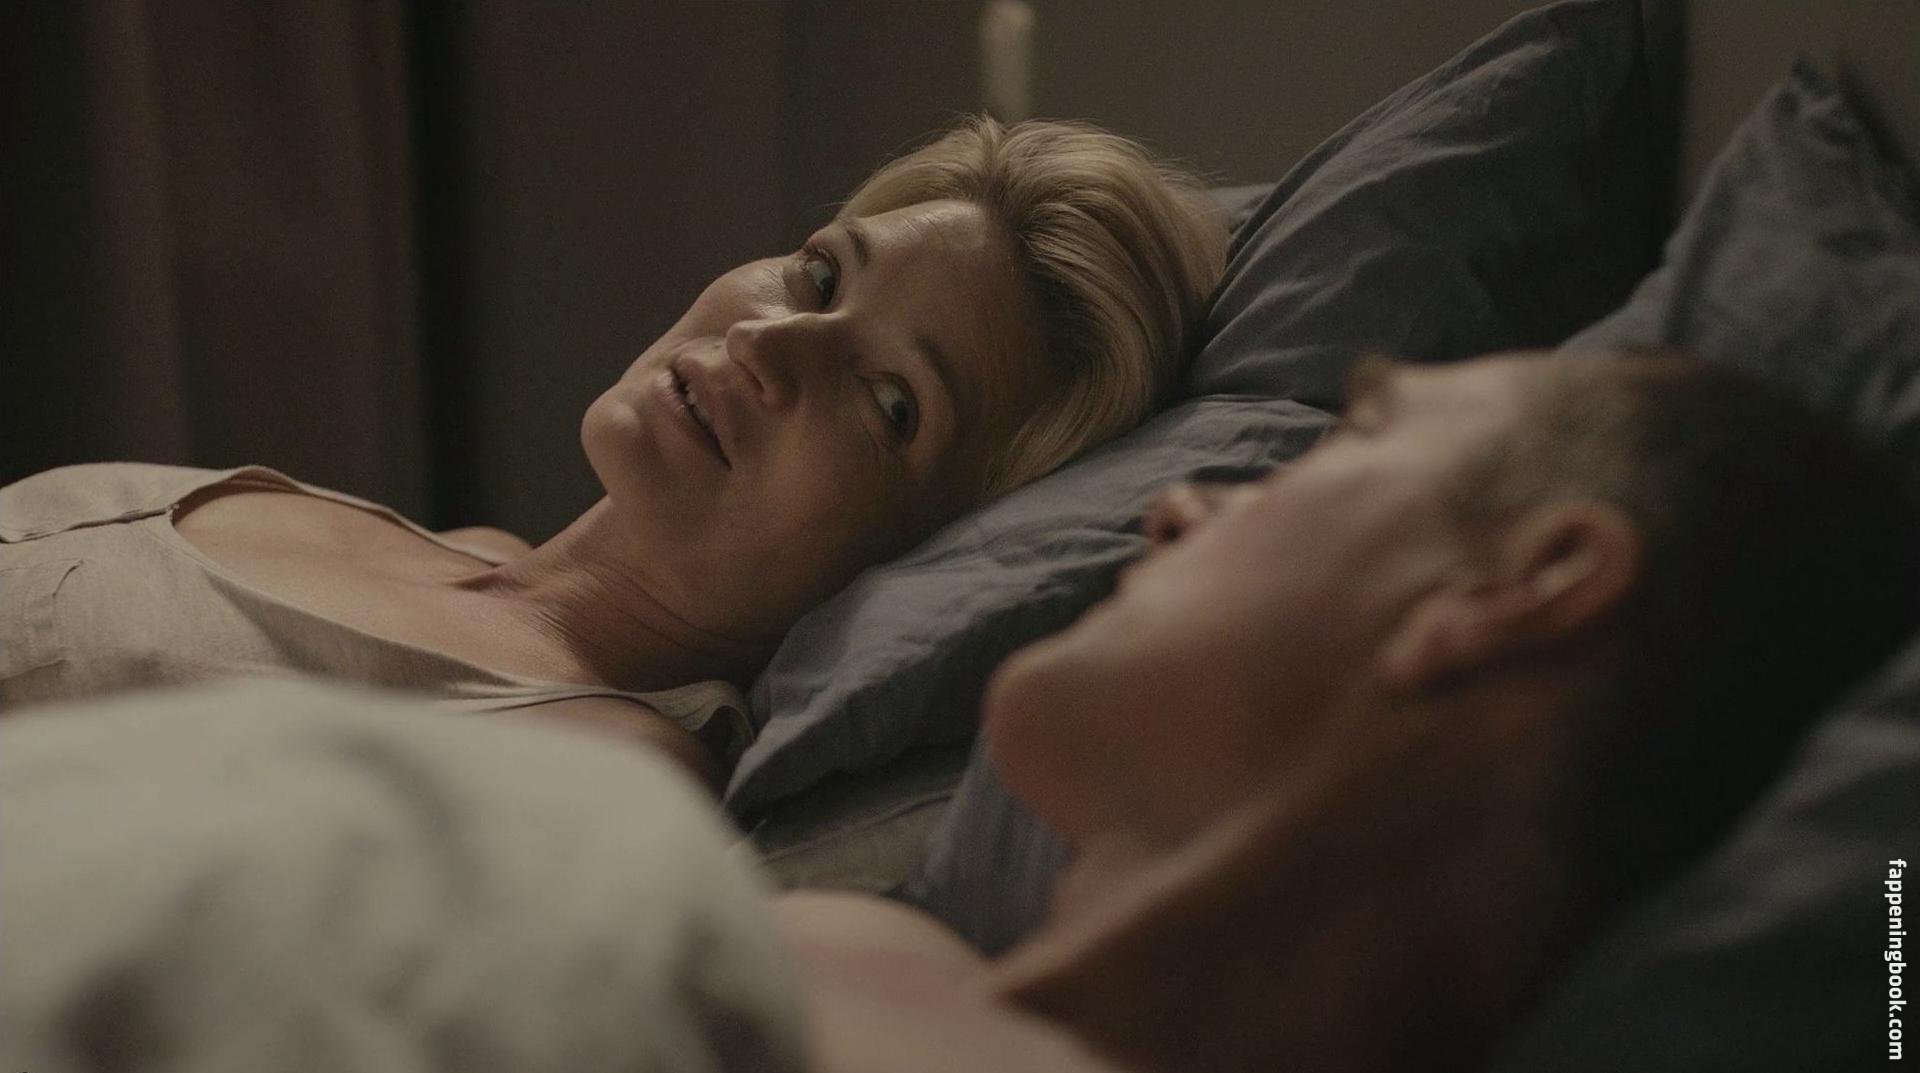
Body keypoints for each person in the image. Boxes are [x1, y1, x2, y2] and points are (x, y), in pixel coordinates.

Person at [4, 348, 1913, 1073]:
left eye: (1352, 442)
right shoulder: (854, 946)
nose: (1181, 508)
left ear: (1522, 585)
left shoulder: (631, 818)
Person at [0, 116, 1228, 786]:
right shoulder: (450, 548)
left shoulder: (602, 770)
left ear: (929, 544)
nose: (771, 341)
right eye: (820, 274)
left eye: (892, 401)